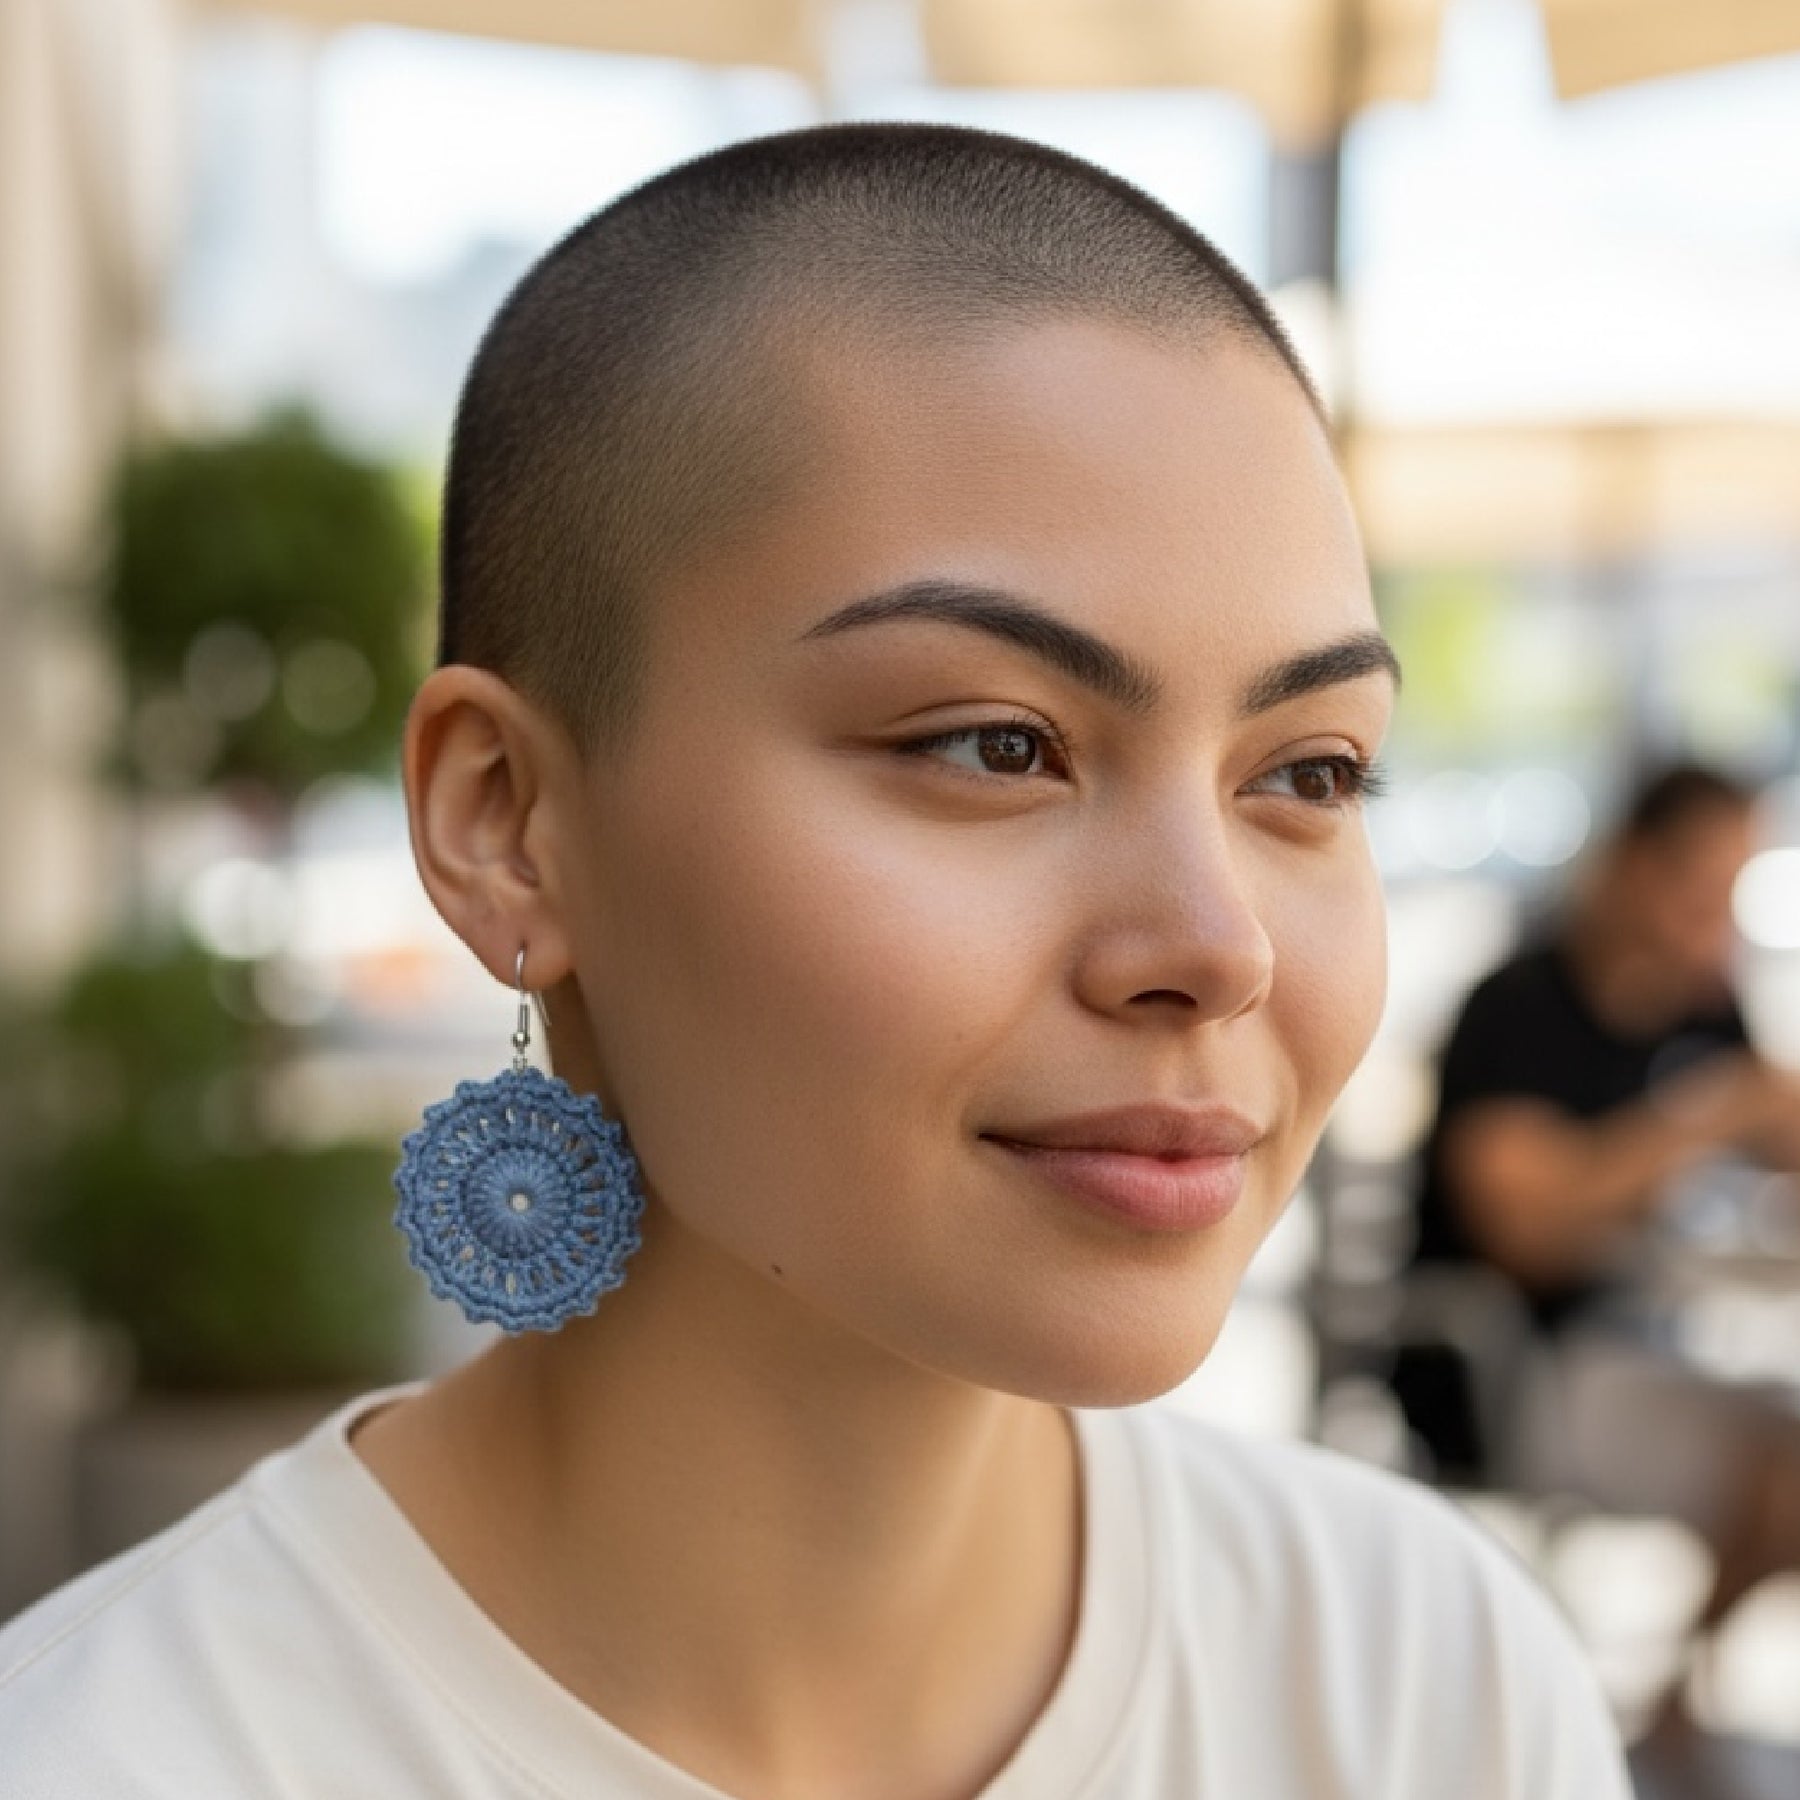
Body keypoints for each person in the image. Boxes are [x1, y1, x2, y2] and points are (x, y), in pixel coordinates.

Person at [0, 125, 1631, 1798]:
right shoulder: (116, 1753)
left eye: (1309, 775)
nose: (1215, 948)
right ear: (505, 821)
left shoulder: (1427, 1685)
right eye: (997, 746)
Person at [1398, 761, 1800, 1755]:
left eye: (1729, 892)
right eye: (1697, 888)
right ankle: (1663, 1715)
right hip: (1512, 1362)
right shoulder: (1519, 1007)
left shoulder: (1704, 1011)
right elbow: (1522, 1233)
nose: (1713, 919)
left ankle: (1669, 1708)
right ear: (1631, 868)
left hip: (1659, 1342)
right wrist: (1703, 1118)